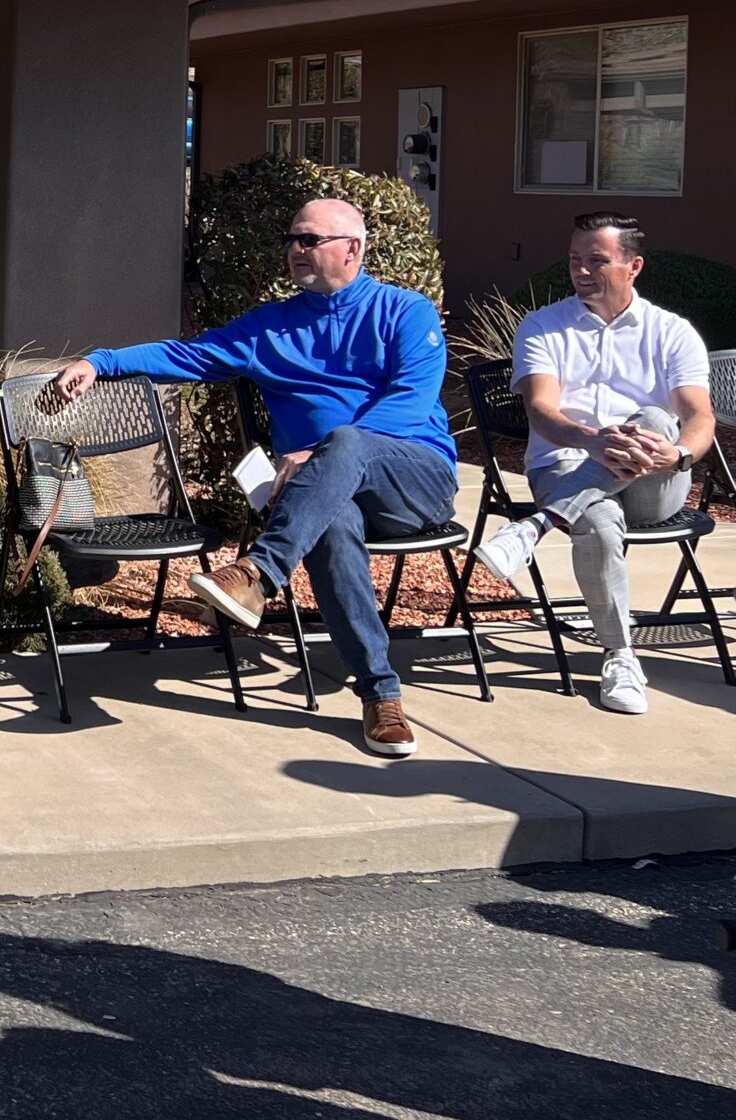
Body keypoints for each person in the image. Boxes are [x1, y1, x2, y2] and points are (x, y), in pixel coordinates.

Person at [48, 197, 457, 760]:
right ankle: (381, 695)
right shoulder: (272, 329)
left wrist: (317, 452)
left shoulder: (405, 313)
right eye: (291, 239)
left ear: (353, 249)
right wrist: (102, 362)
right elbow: (189, 354)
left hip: (413, 480)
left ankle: (259, 575)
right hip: (326, 495)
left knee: (347, 440)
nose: (295, 251)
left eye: (309, 240)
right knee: (332, 526)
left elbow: (411, 403)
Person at [475, 212, 714, 715]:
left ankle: (538, 525)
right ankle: (620, 655)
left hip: (656, 480)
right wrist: (591, 440)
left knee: (651, 414)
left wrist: (677, 454)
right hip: (564, 462)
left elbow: (698, 415)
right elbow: (541, 411)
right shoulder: (543, 325)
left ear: (634, 266)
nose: (581, 270)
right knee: (601, 523)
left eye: (596, 260)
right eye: (574, 260)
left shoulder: (672, 332)